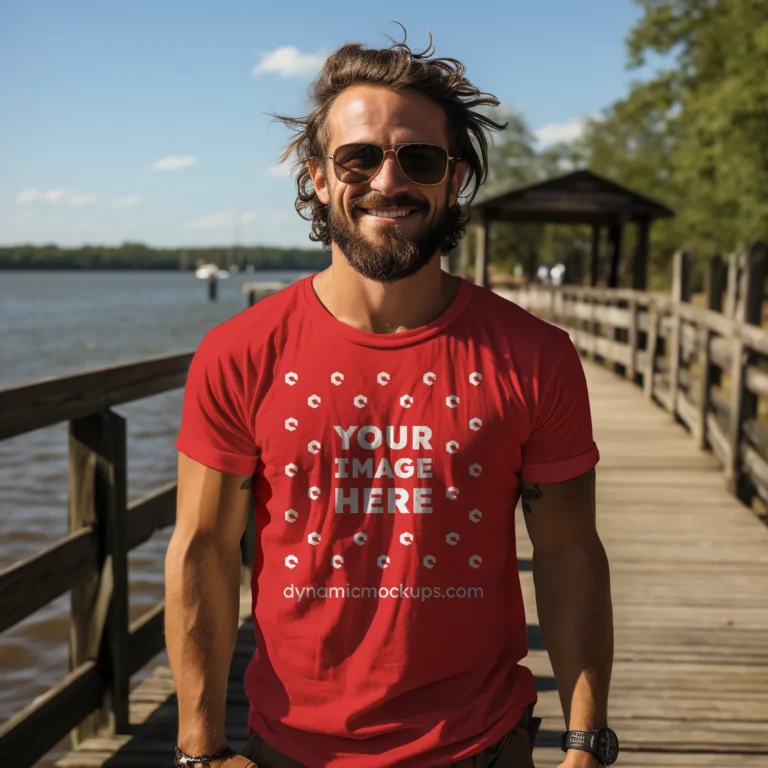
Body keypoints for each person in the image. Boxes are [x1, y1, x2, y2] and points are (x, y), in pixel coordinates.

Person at [168, 25, 616, 768]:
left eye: (419, 158)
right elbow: (203, 553)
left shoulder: (536, 357)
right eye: (359, 157)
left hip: (480, 745)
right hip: (290, 748)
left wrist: (587, 741)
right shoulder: (240, 354)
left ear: (455, 176)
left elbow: (570, 552)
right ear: (318, 176)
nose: (388, 180)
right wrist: (198, 749)